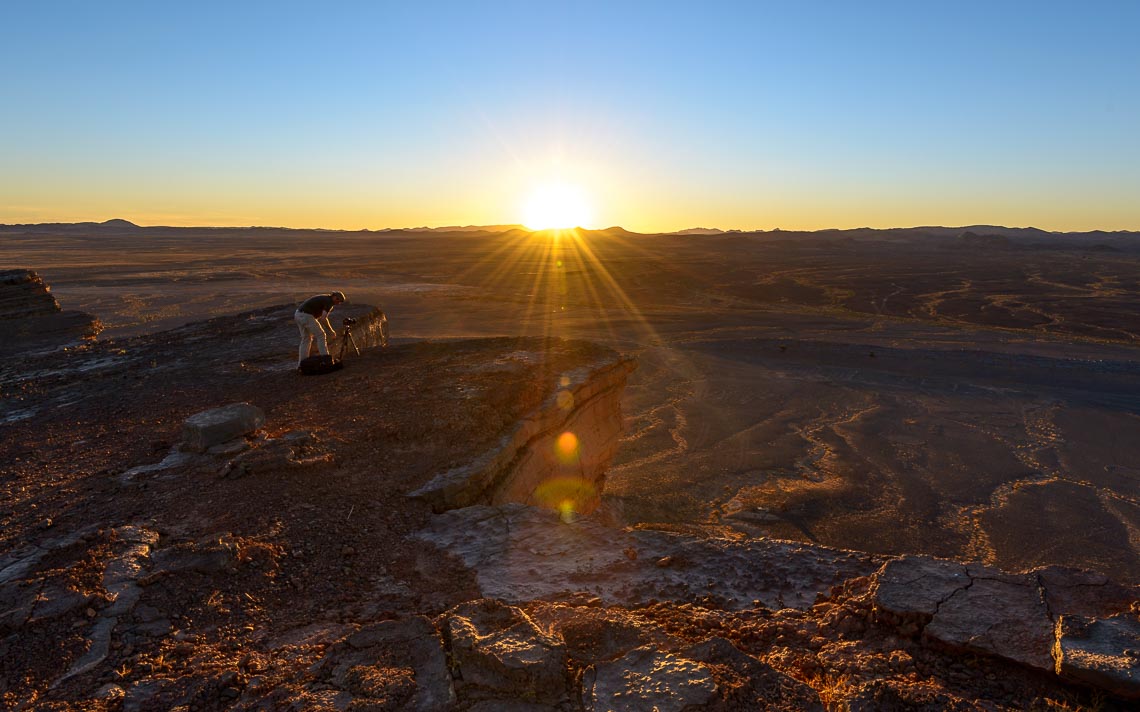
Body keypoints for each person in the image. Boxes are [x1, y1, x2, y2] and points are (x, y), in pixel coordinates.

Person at [295, 291, 346, 366]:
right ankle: (326, 360)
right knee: (321, 335)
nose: (338, 303)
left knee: (306, 339)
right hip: (306, 316)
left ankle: (302, 364)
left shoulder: (325, 298)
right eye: (338, 301)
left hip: (298, 314)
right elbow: (323, 319)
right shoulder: (329, 302)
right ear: (335, 297)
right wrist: (331, 331)